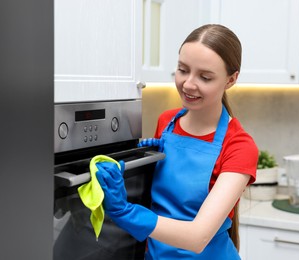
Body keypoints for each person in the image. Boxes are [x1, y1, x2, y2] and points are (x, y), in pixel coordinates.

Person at [96, 24, 258, 259]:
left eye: (205, 77)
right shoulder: (166, 122)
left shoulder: (239, 146)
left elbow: (197, 237)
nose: (188, 84)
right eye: (183, 70)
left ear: (231, 80)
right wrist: (132, 171)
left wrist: (125, 211)